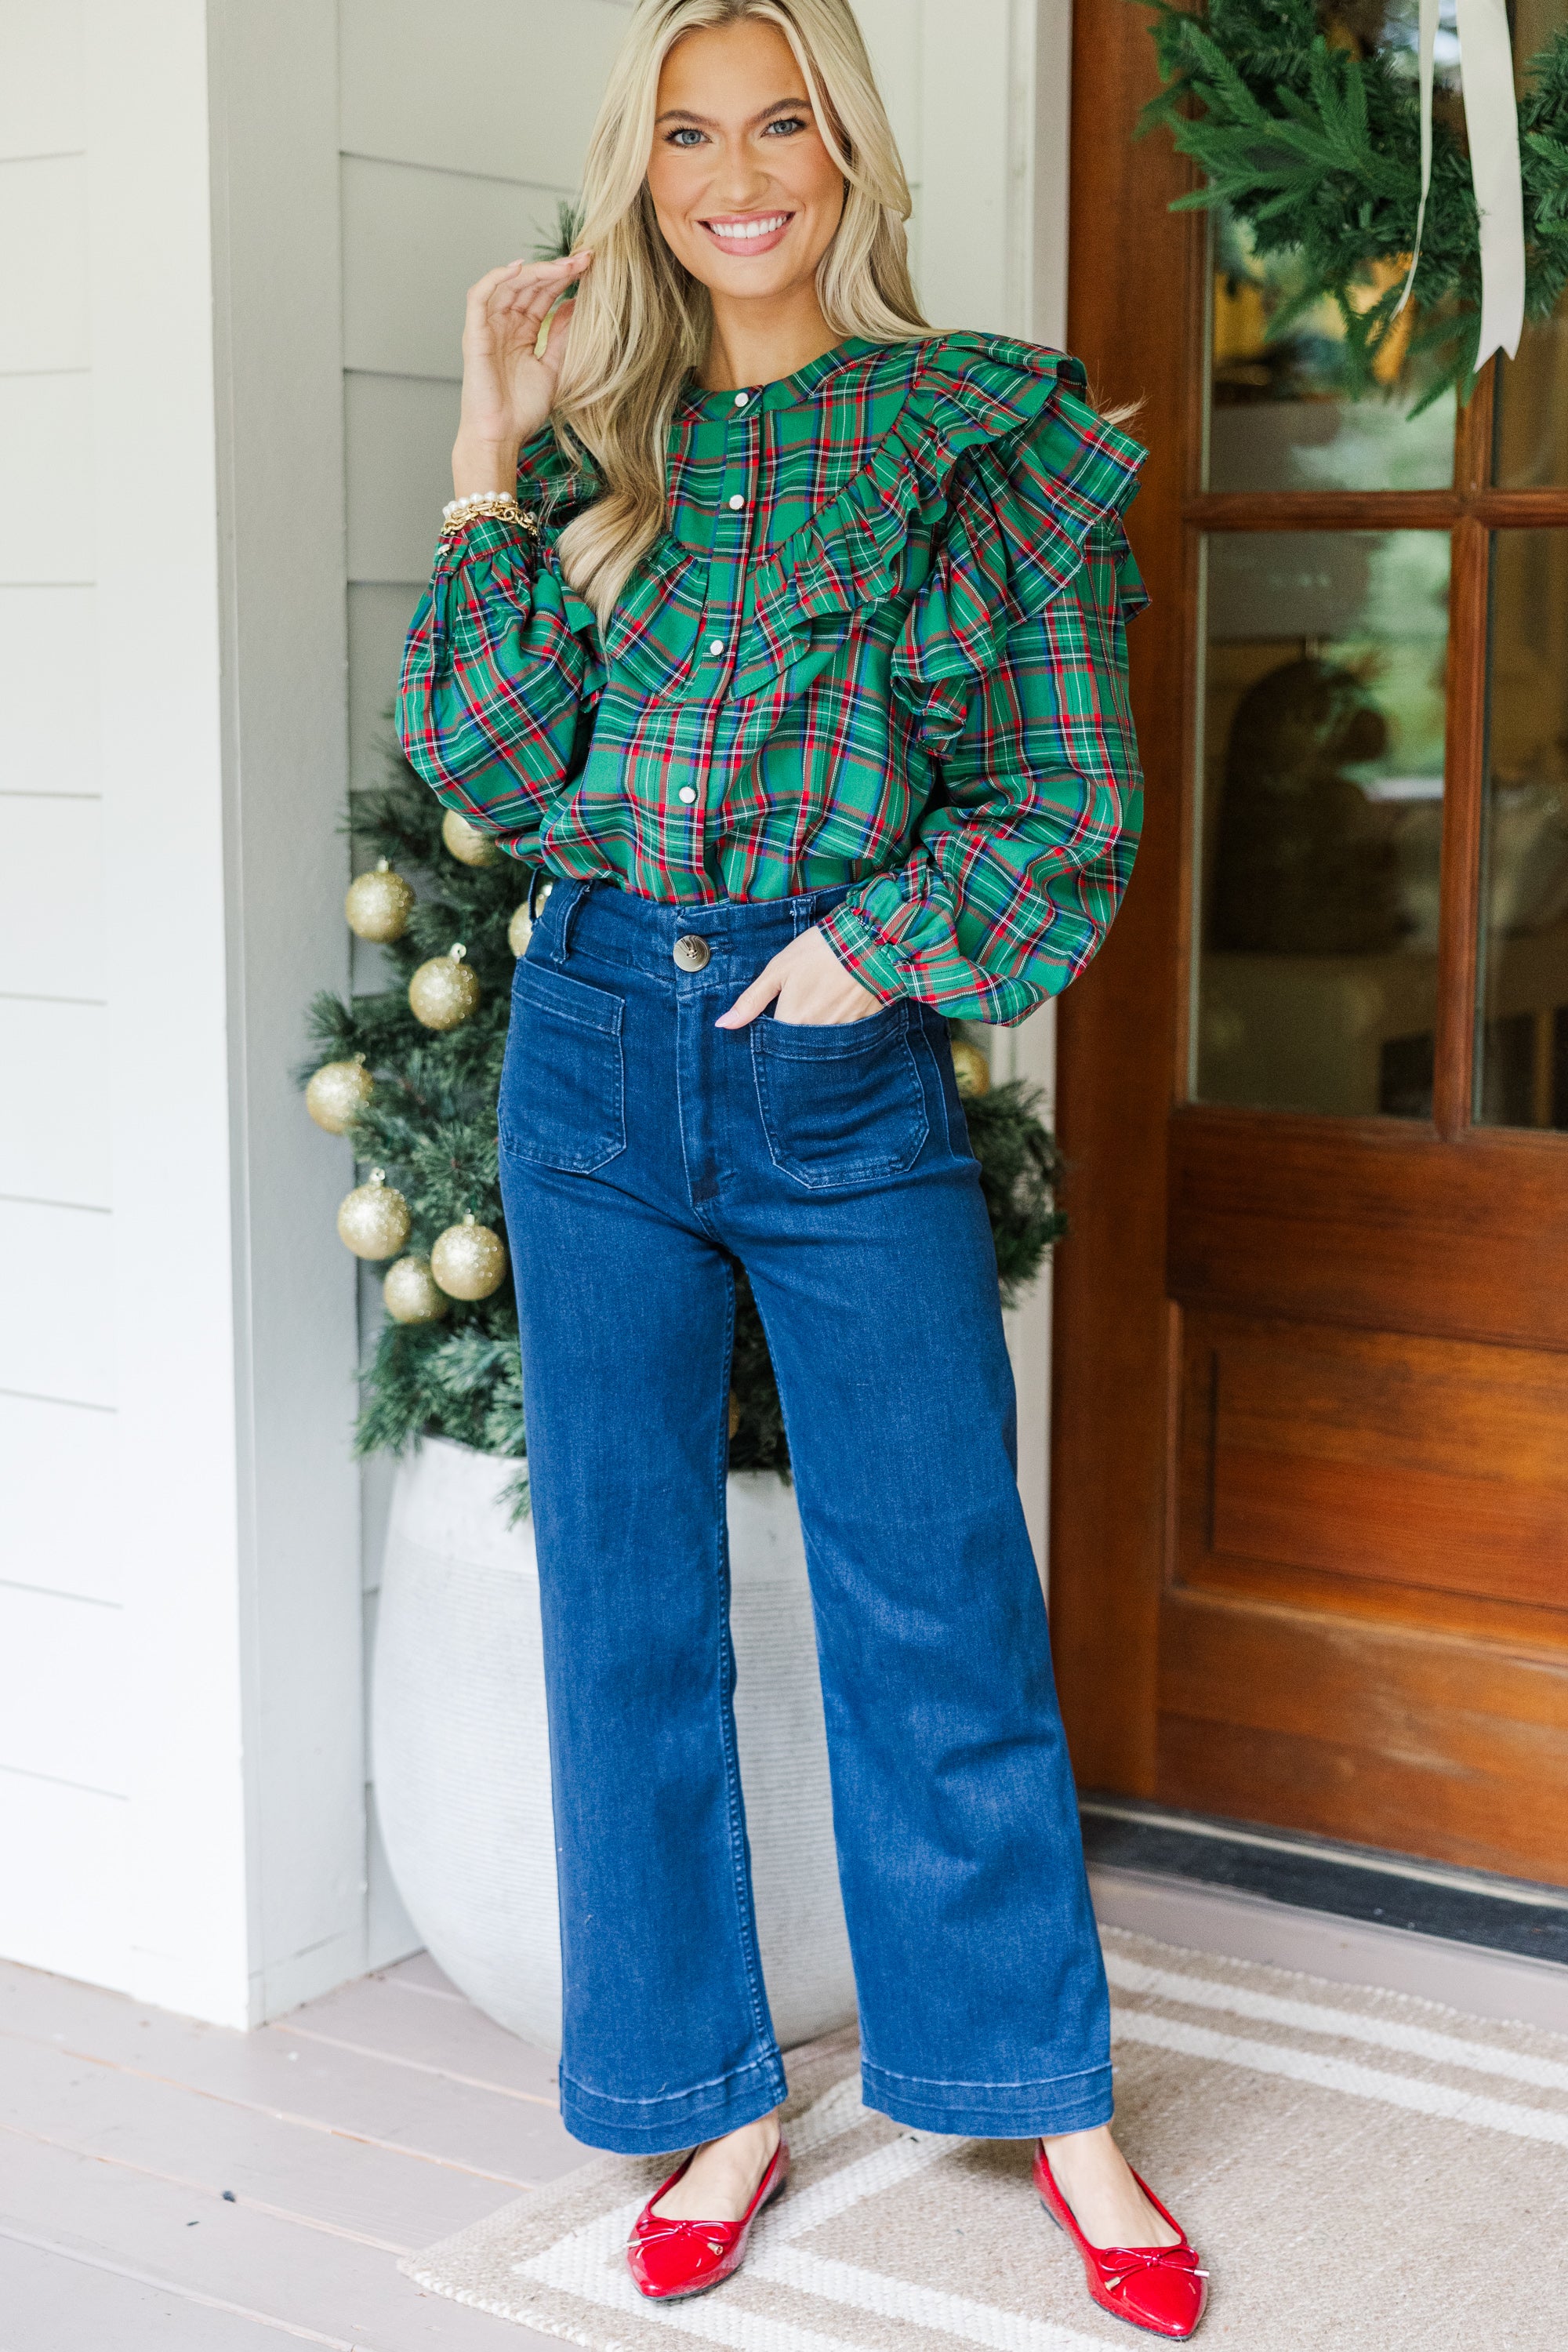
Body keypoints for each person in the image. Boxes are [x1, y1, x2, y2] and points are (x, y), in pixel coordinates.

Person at [397, 0, 1205, 2337]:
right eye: (687, 135)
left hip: (834, 1061)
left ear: (847, 153)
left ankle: (1048, 2104)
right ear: (641, 174)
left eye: (779, 126)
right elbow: (498, 771)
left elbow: (1064, 794)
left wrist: (873, 956)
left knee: (936, 1586)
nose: (737, 176)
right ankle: (709, 2099)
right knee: (625, 1603)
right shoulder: (607, 449)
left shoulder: (980, 432)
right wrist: (487, 446)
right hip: (588, 1055)